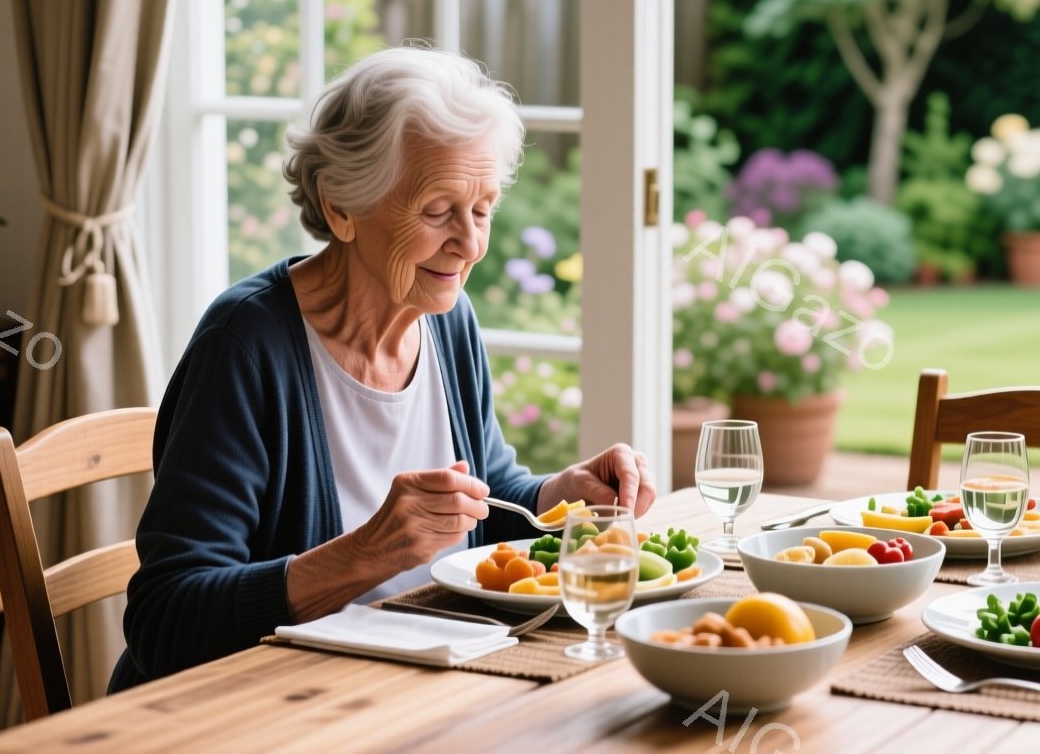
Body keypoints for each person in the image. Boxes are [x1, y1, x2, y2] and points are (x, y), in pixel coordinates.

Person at [110, 47, 654, 691]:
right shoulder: (247, 344)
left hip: (406, 688)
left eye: (481, 209)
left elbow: (483, 489)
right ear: (340, 206)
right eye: (436, 211)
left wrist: (558, 498)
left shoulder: (445, 316)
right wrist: (366, 554)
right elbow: (165, 620)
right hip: (264, 712)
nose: (471, 243)